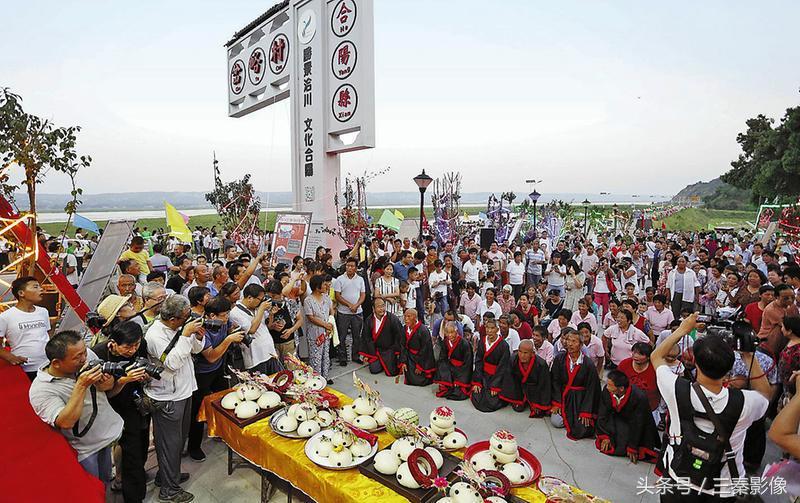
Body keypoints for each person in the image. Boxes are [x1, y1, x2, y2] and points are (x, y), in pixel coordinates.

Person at [651, 313, 771, 502]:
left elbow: (656, 356)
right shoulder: (745, 402)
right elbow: (765, 394)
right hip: (723, 489)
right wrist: (748, 354)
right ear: (729, 368)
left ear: (696, 363)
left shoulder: (676, 389)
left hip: (678, 479)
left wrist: (683, 329)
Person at [28, 331, 126, 485]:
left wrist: (106, 381)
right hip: (84, 449)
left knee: (105, 482)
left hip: (105, 436)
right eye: (77, 357)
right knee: (92, 489)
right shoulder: (41, 390)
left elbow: (108, 387)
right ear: (56, 363)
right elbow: (65, 422)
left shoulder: (88, 357)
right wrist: (81, 385)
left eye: (84, 352)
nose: (84, 359)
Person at [144, 295, 205, 503]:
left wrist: (196, 337)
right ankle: (169, 490)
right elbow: (171, 363)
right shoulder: (154, 334)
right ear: (173, 319)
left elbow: (195, 350)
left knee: (178, 440)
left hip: (184, 390)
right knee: (169, 443)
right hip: (167, 396)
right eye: (186, 317)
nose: (189, 319)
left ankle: (168, 475)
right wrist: (185, 335)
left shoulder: (179, 327)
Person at [91, 322, 151, 503]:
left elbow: (145, 365)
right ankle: (134, 496)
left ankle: (137, 475)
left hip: (137, 402)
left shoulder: (141, 346)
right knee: (130, 451)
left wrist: (145, 375)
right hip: (113, 408)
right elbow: (106, 393)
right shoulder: (99, 354)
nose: (133, 350)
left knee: (141, 443)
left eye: (136, 345)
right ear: (113, 343)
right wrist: (125, 379)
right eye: (128, 347)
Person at [187, 297, 243, 461]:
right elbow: (211, 357)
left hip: (219, 369)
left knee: (225, 403)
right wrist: (228, 340)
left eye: (228, 314)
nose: (226, 318)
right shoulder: (201, 330)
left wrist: (232, 333)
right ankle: (194, 447)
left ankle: (223, 432)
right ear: (211, 315)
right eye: (224, 315)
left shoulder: (224, 322)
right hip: (202, 374)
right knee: (198, 412)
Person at [594, 370, 660, 464]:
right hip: (615, 420)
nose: (607, 387)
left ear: (621, 388)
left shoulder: (639, 397)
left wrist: (632, 446)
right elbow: (603, 413)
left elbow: (638, 422)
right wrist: (604, 436)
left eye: (610, 385)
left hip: (633, 424)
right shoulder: (606, 391)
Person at [550, 328, 601, 440]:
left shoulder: (588, 364)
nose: (570, 344)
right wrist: (557, 403)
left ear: (581, 344)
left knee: (582, 426)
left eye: (574, 341)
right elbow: (555, 381)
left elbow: (592, 389)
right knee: (556, 422)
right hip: (564, 396)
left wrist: (586, 411)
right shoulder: (559, 359)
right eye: (568, 340)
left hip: (580, 399)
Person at [0, 276, 51, 380]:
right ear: (21, 293)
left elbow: (46, 335)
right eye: (35, 287)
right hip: (24, 370)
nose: (41, 289)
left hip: (48, 367)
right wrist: (11, 358)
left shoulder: (43, 312)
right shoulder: (5, 317)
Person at [228, 284, 282, 375]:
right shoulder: (235, 312)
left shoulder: (256, 308)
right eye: (259, 299)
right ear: (249, 298)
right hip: (256, 358)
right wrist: (261, 309)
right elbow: (252, 330)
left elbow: (266, 326)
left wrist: (271, 314)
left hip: (270, 352)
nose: (261, 302)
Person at [499, 339, 551, 417]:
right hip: (519, 388)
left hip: (534, 390)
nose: (522, 355)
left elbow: (543, 385)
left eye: (525, 353)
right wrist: (515, 398)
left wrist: (538, 404)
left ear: (532, 354)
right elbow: (510, 379)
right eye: (520, 351)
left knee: (540, 412)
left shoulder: (541, 364)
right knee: (518, 409)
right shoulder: (513, 359)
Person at [470, 318, 510, 412]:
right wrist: (477, 382)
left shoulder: (504, 346)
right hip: (483, 375)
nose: (489, 331)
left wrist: (495, 386)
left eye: (492, 328)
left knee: (492, 400)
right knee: (477, 395)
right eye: (487, 328)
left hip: (496, 377)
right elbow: (478, 361)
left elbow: (503, 367)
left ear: (497, 329)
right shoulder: (482, 341)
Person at [617, 342, 661, 423]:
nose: (636, 356)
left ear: (648, 357)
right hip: (627, 408)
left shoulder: (655, 368)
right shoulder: (624, 364)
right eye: (634, 352)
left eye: (641, 354)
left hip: (650, 409)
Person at [333, 257, 366, 366]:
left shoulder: (360, 279)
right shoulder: (339, 279)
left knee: (357, 335)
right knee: (342, 335)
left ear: (356, 268)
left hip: (357, 312)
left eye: (352, 266)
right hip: (343, 312)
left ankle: (355, 356)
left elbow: (363, 295)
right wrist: (349, 305)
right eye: (347, 266)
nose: (349, 268)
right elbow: (337, 296)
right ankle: (342, 357)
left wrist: (356, 305)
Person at [357, 298, 402, 376]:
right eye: (378, 306)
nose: (382, 309)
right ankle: (381, 362)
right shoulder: (369, 320)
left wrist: (397, 352)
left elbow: (399, 335)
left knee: (392, 372)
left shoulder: (393, 319)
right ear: (373, 308)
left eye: (383, 306)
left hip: (389, 350)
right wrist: (367, 354)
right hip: (375, 350)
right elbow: (367, 338)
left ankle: (387, 362)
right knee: (374, 370)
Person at [303, 274, 335, 383]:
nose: (326, 286)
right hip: (315, 333)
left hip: (326, 332)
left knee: (326, 355)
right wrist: (325, 325)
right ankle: (316, 379)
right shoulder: (308, 300)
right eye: (324, 284)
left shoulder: (326, 297)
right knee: (315, 356)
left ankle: (325, 377)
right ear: (317, 287)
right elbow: (310, 317)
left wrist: (330, 321)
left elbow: (331, 310)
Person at [434, 321, 474, 400]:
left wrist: (459, 380)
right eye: (447, 333)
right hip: (450, 367)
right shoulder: (445, 342)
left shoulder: (465, 344)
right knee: (441, 364)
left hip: (461, 369)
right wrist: (445, 375)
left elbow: (468, 364)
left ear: (457, 331)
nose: (450, 335)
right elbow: (442, 358)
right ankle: (447, 382)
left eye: (452, 332)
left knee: (458, 392)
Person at [758, 283, 799, 356]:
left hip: (784, 340)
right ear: (776, 297)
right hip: (768, 342)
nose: (790, 300)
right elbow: (789, 325)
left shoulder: (792, 306)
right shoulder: (771, 309)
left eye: (792, 297)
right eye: (785, 298)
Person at [398, 309, 436, 386]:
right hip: (410, 356)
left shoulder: (423, 330)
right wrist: (403, 361)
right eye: (405, 316)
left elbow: (426, 350)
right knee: (410, 377)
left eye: (409, 316)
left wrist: (420, 366)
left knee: (419, 381)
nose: (406, 319)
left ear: (415, 318)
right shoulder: (404, 328)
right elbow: (403, 345)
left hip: (421, 358)